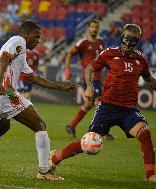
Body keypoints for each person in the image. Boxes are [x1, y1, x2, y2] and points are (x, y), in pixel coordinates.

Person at [0, 20, 79, 180]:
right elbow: (4, 59)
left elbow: (33, 78)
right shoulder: (18, 41)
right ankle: (44, 172)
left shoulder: (21, 53)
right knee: (40, 125)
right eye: (36, 37)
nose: (38, 41)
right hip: (3, 93)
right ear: (26, 34)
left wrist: (61, 87)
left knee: (3, 127)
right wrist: (0, 84)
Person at [49, 24, 156, 182]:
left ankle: (150, 175)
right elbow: (89, 69)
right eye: (125, 41)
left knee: (145, 134)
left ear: (136, 42)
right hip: (107, 107)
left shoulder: (140, 59)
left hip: (129, 110)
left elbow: (149, 79)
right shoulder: (109, 53)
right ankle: (55, 158)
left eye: (131, 42)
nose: (127, 46)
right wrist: (90, 87)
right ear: (121, 39)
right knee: (87, 143)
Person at [64, 19, 115, 140]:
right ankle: (102, 131)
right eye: (92, 27)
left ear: (98, 28)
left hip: (99, 78)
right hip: (89, 79)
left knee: (89, 104)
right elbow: (70, 54)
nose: (94, 29)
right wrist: (67, 69)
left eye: (96, 27)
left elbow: (104, 59)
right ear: (88, 28)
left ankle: (72, 126)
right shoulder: (83, 43)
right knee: (101, 104)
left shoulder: (101, 42)